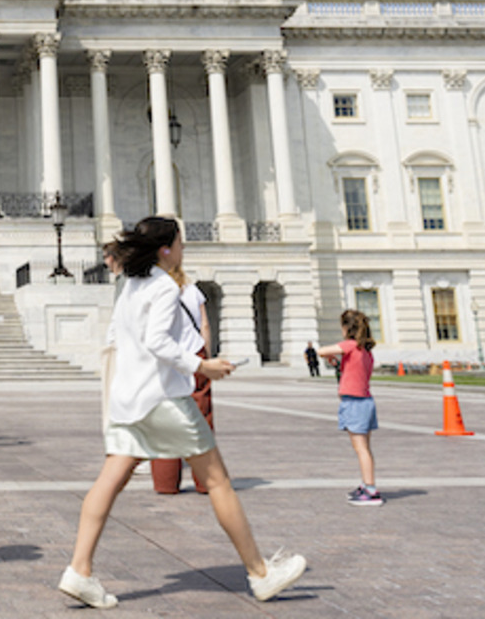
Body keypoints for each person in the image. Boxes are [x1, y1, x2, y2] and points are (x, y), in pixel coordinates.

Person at [58, 217, 306, 608]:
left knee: (109, 481)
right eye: (181, 243)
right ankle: (260, 573)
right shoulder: (162, 287)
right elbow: (157, 342)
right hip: (163, 400)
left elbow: (127, 341)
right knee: (219, 481)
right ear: (165, 249)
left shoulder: (130, 287)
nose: (185, 249)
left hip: (129, 399)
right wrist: (202, 366)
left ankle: (80, 568)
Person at [151, 256, 214, 496]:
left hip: (168, 356)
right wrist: (205, 356)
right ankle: (204, 481)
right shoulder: (193, 290)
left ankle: (166, 483)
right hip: (194, 354)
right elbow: (204, 325)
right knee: (201, 418)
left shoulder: (155, 290)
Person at [317, 310, 382, 506]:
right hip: (365, 401)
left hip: (354, 402)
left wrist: (336, 352)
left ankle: (370, 489)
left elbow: (321, 351)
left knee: (360, 448)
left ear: (347, 329)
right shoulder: (366, 352)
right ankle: (366, 484)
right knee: (365, 448)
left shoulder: (350, 345)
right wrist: (337, 362)